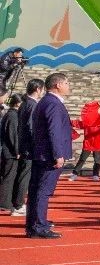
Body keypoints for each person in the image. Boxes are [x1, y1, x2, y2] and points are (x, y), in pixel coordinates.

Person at [26, 72, 73, 239]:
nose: (68, 86)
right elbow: (54, 131)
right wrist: (58, 154)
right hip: (48, 155)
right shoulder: (53, 103)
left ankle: (35, 223)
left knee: (37, 190)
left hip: (42, 153)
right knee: (43, 191)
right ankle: (39, 226)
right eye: (67, 83)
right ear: (58, 85)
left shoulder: (46, 101)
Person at [8, 80, 43, 215]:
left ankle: (16, 203)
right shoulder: (31, 104)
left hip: (24, 145)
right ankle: (18, 205)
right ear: (38, 89)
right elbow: (30, 127)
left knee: (22, 174)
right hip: (29, 147)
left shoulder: (25, 104)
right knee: (24, 176)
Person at [0, 93, 24, 212]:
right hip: (10, 153)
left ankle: (6, 201)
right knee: (8, 177)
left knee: (9, 176)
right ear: (18, 103)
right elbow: (13, 135)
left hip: (8, 151)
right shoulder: (13, 116)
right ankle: (4, 202)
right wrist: (17, 150)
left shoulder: (11, 115)